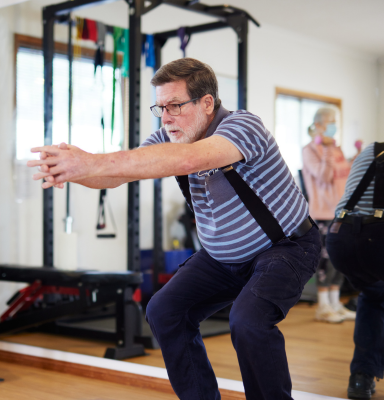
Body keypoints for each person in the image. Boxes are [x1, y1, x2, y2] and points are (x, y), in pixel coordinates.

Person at [28, 58, 321, 400]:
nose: (165, 117)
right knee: (164, 310)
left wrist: (90, 161)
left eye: (175, 106)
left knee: (249, 320)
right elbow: (120, 173)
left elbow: (190, 160)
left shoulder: (243, 126)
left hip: (285, 248)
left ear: (207, 103)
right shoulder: (170, 138)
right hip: (221, 258)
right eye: (160, 107)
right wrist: (72, 170)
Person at [326, 142, 384, 400]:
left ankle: (361, 377)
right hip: (376, 237)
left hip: (341, 236)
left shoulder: (371, 149)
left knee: (373, 295)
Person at [302, 107, 356, 323]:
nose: (334, 126)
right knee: (325, 259)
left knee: (340, 259)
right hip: (323, 213)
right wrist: (325, 150)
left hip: (341, 210)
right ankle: (323, 306)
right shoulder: (309, 150)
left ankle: (335, 302)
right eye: (331, 122)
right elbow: (324, 177)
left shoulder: (336, 148)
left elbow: (344, 175)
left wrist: (355, 160)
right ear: (319, 125)